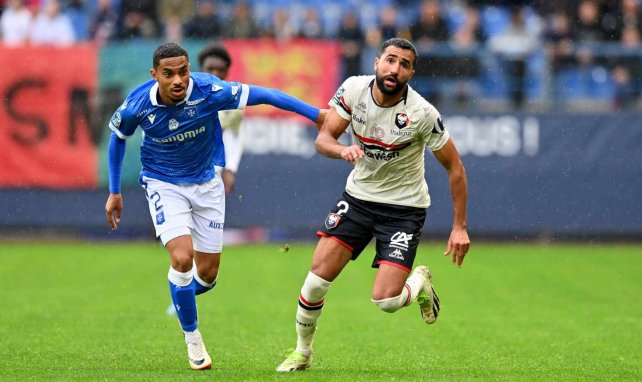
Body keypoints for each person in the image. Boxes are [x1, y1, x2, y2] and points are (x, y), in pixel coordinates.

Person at [104, 42, 325, 371]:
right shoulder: (137, 104)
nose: (178, 80)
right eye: (169, 74)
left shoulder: (209, 90)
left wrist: (317, 114)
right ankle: (192, 337)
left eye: (183, 71)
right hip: (163, 183)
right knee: (182, 259)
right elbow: (118, 138)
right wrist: (114, 191)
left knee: (206, 277)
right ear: (155, 76)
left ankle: (180, 297)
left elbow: (267, 95)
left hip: (208, 184)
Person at [276, 38, 470, 372]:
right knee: (316, 278)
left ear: (410, 73)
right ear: (377, 63)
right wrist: (342, 151)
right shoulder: (353, 90)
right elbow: (324, 139)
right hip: (358, 200)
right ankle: (302, 353)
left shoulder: (422, 114)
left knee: (386, 301)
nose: (395, 69)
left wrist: (459, 227)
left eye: (404, 64)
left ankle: (419, 280)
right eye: (391, 60)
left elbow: (455, 168)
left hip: (403, 210)